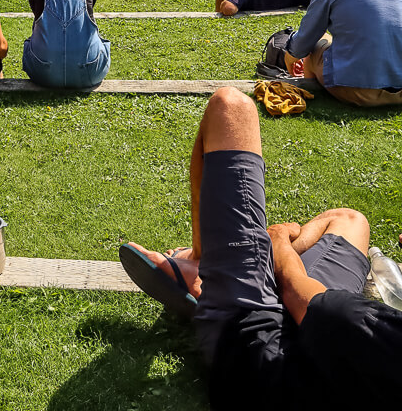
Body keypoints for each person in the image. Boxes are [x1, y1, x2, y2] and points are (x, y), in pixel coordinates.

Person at [118, 87, 402, 411]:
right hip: (328, 351)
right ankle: (226, 277)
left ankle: (200, 268)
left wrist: (279, 241)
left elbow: (300, 297)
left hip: (257, 349)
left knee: (231, 107)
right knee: (351, 220)